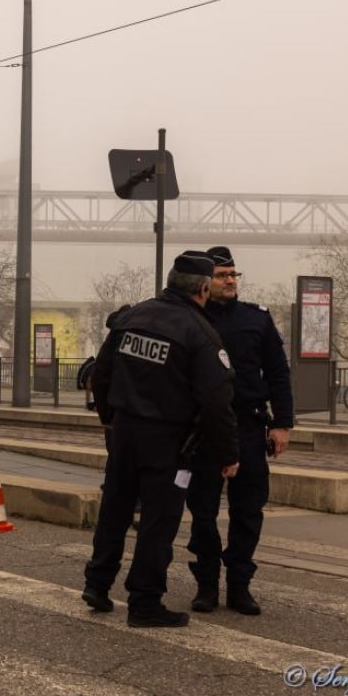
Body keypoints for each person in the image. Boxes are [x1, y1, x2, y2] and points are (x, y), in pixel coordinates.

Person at [82, 251, 239, 628]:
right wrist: (228, 453)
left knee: (115, 510)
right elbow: (217, 401)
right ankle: (145, 602)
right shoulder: (199, 333)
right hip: (168, 441)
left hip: (124, 433)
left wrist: (111, 420)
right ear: (203, 288)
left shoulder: (132, 316)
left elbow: (101, 374)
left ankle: (98, 584)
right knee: (158, 521)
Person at [185, 246, 293, 617]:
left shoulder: (256, 320)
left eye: (234, 275)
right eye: (222, 275)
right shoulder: (190, 317)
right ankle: (206, 584)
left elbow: (278, 373)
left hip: (247, 424)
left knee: (248, 510)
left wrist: (282, 424)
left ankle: (240, 584)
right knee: (202, 509)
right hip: (202, 430)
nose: (230, 281)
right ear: (205, 281)